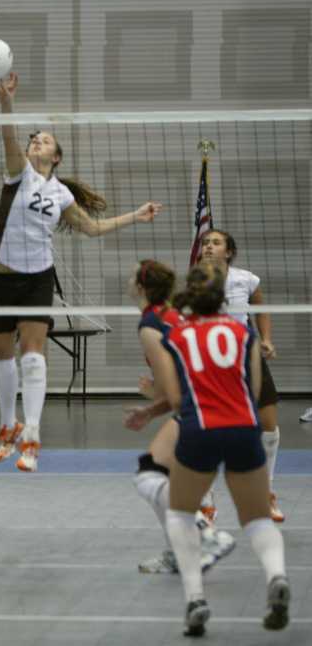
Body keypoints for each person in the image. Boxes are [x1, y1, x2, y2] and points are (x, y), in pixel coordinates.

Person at [0, 73, 163, 471]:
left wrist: (136, 215)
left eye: (45, 140)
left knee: (32, 357)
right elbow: (8, 137)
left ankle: (31, 435)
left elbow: (92, 228)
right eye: (36, 138)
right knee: (2, 357)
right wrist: (7, 103)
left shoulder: (61, 193)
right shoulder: (18, 173)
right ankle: (7, 426)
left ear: (57, 156)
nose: (37, 142)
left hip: (37, 277)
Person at [149, 263, 289, 636]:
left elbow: (178, 399)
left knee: (180, 514)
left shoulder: (177, 336)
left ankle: (195, 599)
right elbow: (256, 391)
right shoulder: (243, 332)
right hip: (244, 428)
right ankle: (276, 576)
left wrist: (153, 399)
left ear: (189, 296)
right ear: (222, 298)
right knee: (258, 518)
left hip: (201, 430)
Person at [124, 260, 235, 575]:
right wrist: (153, 404)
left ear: (142, 288)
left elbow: (172, 392)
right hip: (214, 400)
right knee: (162, 475)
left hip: (196, 406)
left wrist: (151, 402)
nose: (128, 280)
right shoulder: (172, 315)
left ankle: (204, 533)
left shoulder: (150, 326)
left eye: (133, 276)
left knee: (151, 475)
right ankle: (183, 547)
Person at [200, 229, 283, 522]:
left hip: (247, 356)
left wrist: (267, 339)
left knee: (269, 427)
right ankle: (206, 501)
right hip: (212, 359)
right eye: (206, 243)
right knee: (209, 431)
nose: (209, 246)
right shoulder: (194, 281)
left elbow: (261, 309)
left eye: (216, 242)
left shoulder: (246, 279)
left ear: (229, 252)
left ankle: (265, 492)